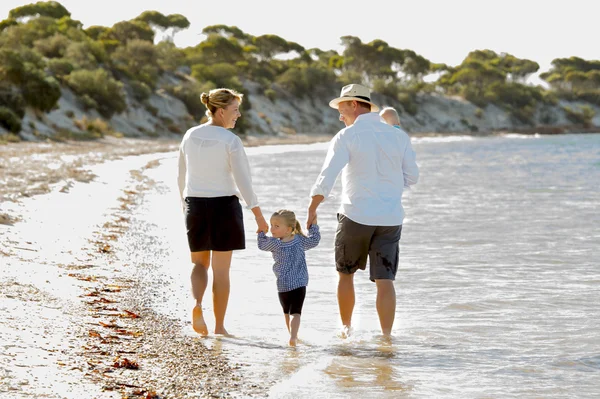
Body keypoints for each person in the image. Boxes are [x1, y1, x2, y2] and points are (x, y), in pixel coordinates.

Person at [306, 83, 419, 338]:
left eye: (341, 107)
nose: (339, 114)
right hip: (390, 219)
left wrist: (313, 207)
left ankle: (346, 333)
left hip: (355, 216)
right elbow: (412, 178)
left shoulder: (347, 136)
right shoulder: (397, 135)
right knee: (385, 280)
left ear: (354, 104)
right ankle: (387, 338)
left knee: (345, 274)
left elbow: (328, 174)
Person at [177, 87, 269, 336]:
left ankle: (197, 305)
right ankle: (219, 327)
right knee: (221, 270)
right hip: (224, 207)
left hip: (194, 204)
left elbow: (181, 176)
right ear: (219, 111)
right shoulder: (231, 141)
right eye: (235, 110)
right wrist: (259, 216)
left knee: (198, 264)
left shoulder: (190, 135)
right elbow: (243, 182)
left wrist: (185, 205)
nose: (238, 115)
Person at [257, 209, 320, 346]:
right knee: (295, 313)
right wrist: (314, 225)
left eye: (276, 226)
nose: (272, 229)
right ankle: (293, 336)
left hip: (283, 285)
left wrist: (261, 231)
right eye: (271, 225)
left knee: (286, 312)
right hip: (300, 283)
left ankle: (291, 336)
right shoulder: (299, 240)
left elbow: (261, 245)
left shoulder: (275, 243)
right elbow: (314, 240)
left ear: (288, 229)